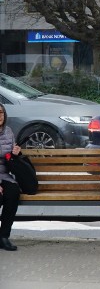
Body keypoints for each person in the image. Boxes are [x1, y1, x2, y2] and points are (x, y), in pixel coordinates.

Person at [0, 103, 21, 251]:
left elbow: (10, 159)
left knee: (13, 193)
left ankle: (3, 237)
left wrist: (16, 153)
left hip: (5, 175)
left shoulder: (8, 131)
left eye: (1, 112)